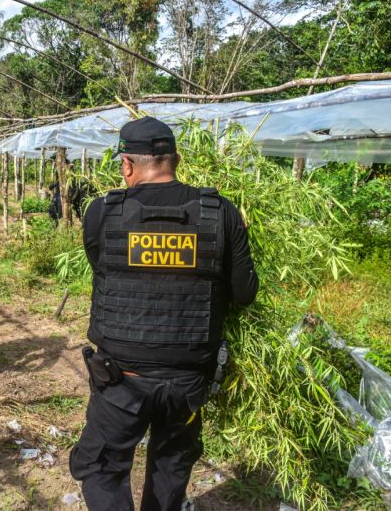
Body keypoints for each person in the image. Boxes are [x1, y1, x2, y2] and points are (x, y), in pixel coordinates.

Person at [69, 116, 258, 511]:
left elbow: (100, 267)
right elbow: (245, 294)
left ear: (126, 165)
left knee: (101, 467)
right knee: (170, 467)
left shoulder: (102, 212)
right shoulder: (220, 212)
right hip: (187, 384)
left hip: (121, 382)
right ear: (177, 159)